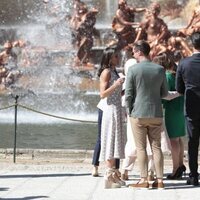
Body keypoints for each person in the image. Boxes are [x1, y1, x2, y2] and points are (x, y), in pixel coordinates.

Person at [125, 40, 168, 189]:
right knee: (157, 148)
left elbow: (129, 94)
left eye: (134, 52)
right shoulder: (160, 69)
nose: (133, 54)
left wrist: (129, 112)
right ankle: (160, 180)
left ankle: (143, 180)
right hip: (156, 112)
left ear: (140, 52)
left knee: (141, 148)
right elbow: (164, 93)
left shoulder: (133, 69)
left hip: (138, 113)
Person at [153, 52, 186, 180]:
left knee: (173, 140)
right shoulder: (176, 73)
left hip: (172, 110)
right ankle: (181, 165)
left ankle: (175, 169)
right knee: (178, 139)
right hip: (180, 109)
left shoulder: (167, 76)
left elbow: (164, 95)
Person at [98, 44, 125, 189]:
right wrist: (116, 85)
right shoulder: (106, 72)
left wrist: (123, 90)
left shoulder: (114, 71)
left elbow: (114, 93)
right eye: (116, 56)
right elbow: (102, 94)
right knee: (110, 141)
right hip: (110, 110)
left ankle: (114, 173)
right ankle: (108, 176)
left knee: (115, 142)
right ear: (109, 58)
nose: (118, 57)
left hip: (117, 109)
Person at [176, 31, 200, 186]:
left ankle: (193, 175)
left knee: (193, 142)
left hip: (192, 107)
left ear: (192, 44)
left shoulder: (184, 63)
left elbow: (179, 89)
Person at [91, 98, 120, 177]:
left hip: (114, 108)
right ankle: (95, 166)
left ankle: (116, 168)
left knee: (116, 138)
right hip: (107, 108)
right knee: (103, 137)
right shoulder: (117, 85)